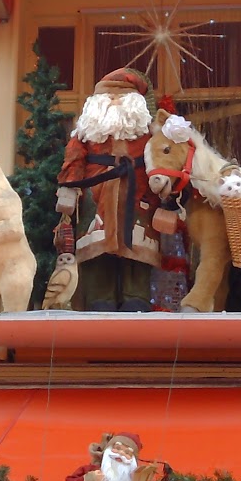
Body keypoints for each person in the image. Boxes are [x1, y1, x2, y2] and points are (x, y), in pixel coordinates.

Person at [56, 66, 158, 307]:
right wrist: (69, 188)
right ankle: (99, 301)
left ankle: (137, 300)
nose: (114, 100)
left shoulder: (149, 132)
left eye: (121, 96)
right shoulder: (85, 132)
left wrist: (164, 187)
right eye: (109, 95)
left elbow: (161, 159)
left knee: (138, 249)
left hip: (138, 195)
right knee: (96, 249)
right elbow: (74, 158)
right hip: (96, 196)